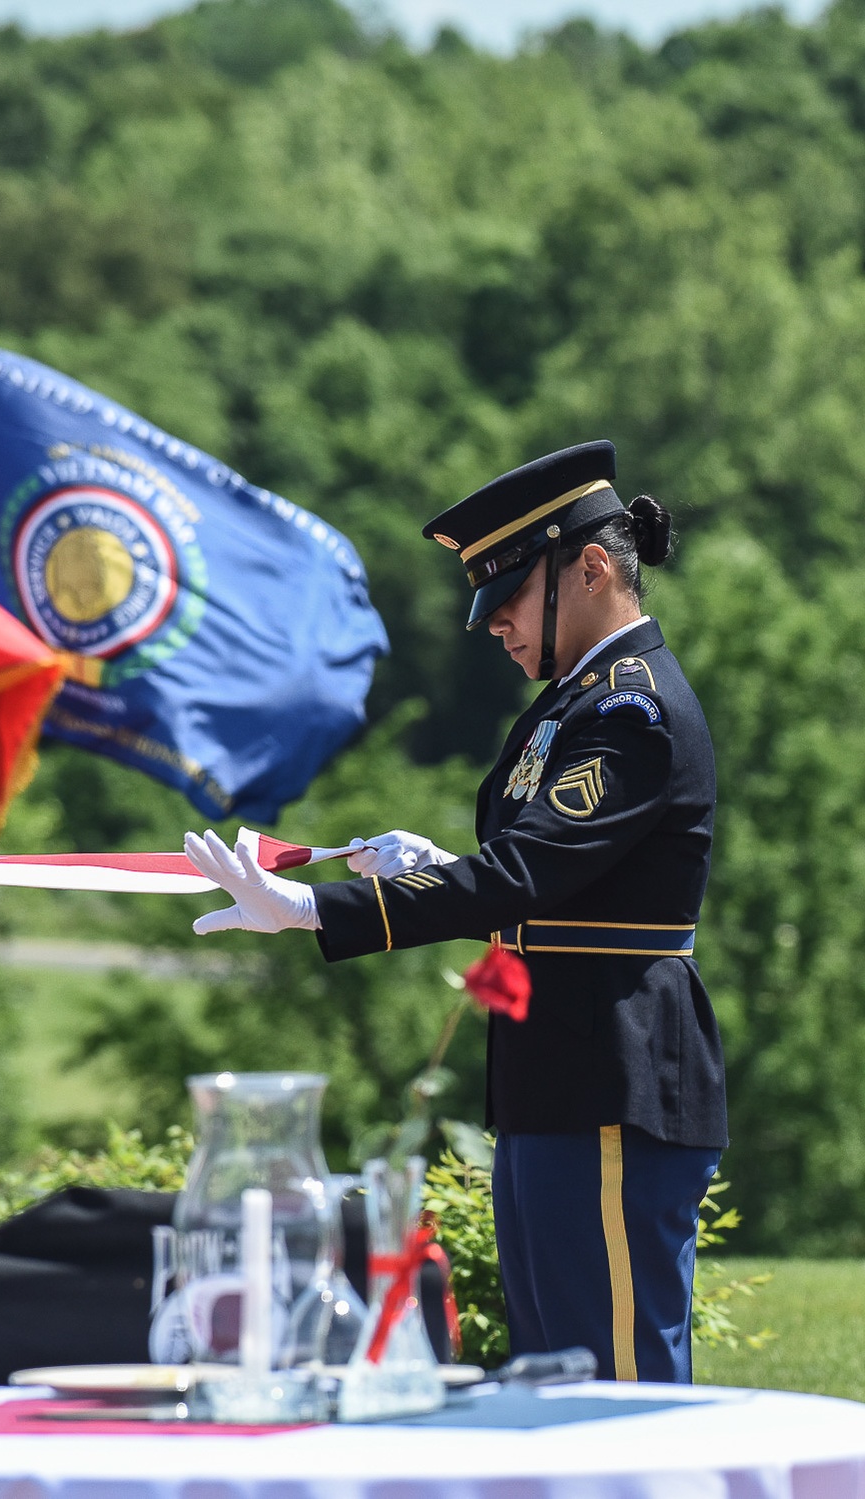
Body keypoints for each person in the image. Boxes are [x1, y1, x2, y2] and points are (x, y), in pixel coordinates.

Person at [184, 439, 728, 1384]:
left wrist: (320, 908)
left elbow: (522, 875)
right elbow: (549, 876)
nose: (495, 625)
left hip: (613, 1071)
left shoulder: (627, 711)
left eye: (510, 597)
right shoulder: (575, 703)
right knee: (556, 1377)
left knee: (617, 1388)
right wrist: (438, 867)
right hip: (559, 1073)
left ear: (591, 568)